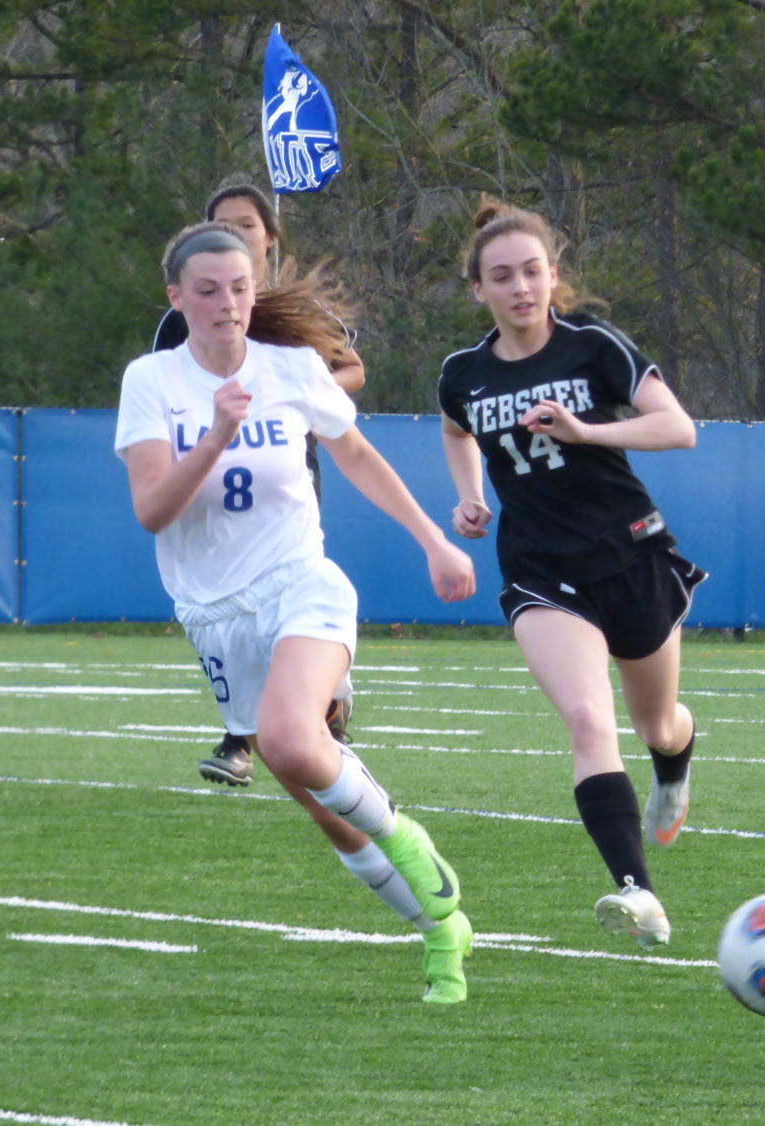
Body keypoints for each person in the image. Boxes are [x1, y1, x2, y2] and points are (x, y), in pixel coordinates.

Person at [116, 220, 478, 1002]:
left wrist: (432, 541)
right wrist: (213, 437)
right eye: (207, 291)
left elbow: (354, 453)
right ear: (175, 298)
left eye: (240, 288)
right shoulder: (150, 382)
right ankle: (439, 929)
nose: (227, 304)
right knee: (310, 789)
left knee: (288, 736)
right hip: (214, 615)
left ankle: (407, 837)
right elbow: (152, 509)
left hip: (298, 580)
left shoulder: (291, 369)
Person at [437, 199, 706, 950]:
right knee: (589, 722)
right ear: (477, 290)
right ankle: (637, 891)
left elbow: (678, 428)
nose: (520, 287)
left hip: (627, 551)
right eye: (501, 276)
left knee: (656, 721)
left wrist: (587, 430)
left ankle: (675, 763)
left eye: (532, 271)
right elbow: (456, 427)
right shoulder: (462, 372)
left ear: (554, 276)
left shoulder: (593, 347)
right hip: (539, 569)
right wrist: (469, 495)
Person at [153, 180, 363, 788]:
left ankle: (251, 735)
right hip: (208, 473)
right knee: (217, 598)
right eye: (223, 224)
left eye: (248, 225)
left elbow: (352, 369)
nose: (237, 234)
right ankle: (268, 720)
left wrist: (294, 394)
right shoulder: (182, 320)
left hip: (280, 466)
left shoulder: (297, 315)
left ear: (269, 238)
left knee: (285, 587)